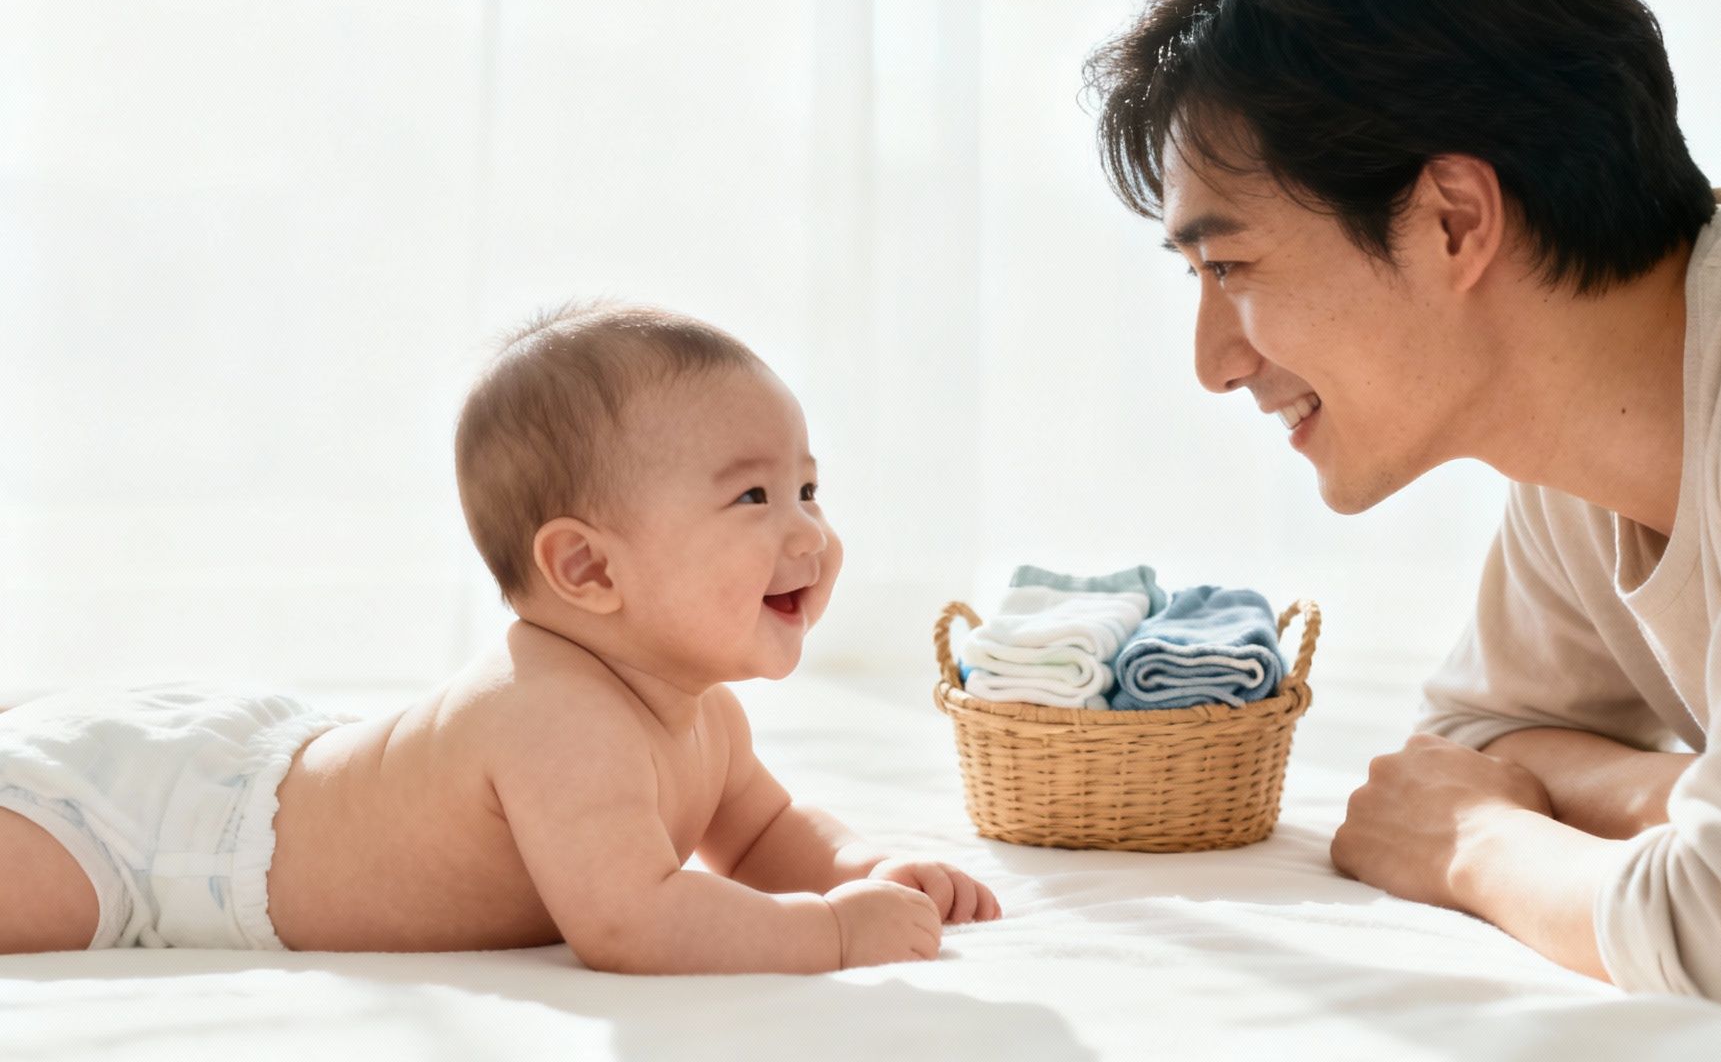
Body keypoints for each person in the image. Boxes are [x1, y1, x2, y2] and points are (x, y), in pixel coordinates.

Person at [1085, 0, 1721, 1019]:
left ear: (1453, 220)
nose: (1213, 363)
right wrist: (1684, 797)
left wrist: (1473, 843)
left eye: (1230, 266)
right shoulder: (1582, 442)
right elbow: (1474, 740)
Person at [0, 304, 999, 971]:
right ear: (588, 569)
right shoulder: (554, 715)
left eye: (808, 489)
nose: (808, 533)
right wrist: (827, 934)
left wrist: (860, 870)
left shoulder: (705, 719)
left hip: (257, 761)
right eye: (753, 497)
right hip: (164, 834)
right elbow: (633, 920)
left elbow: (765, 833)